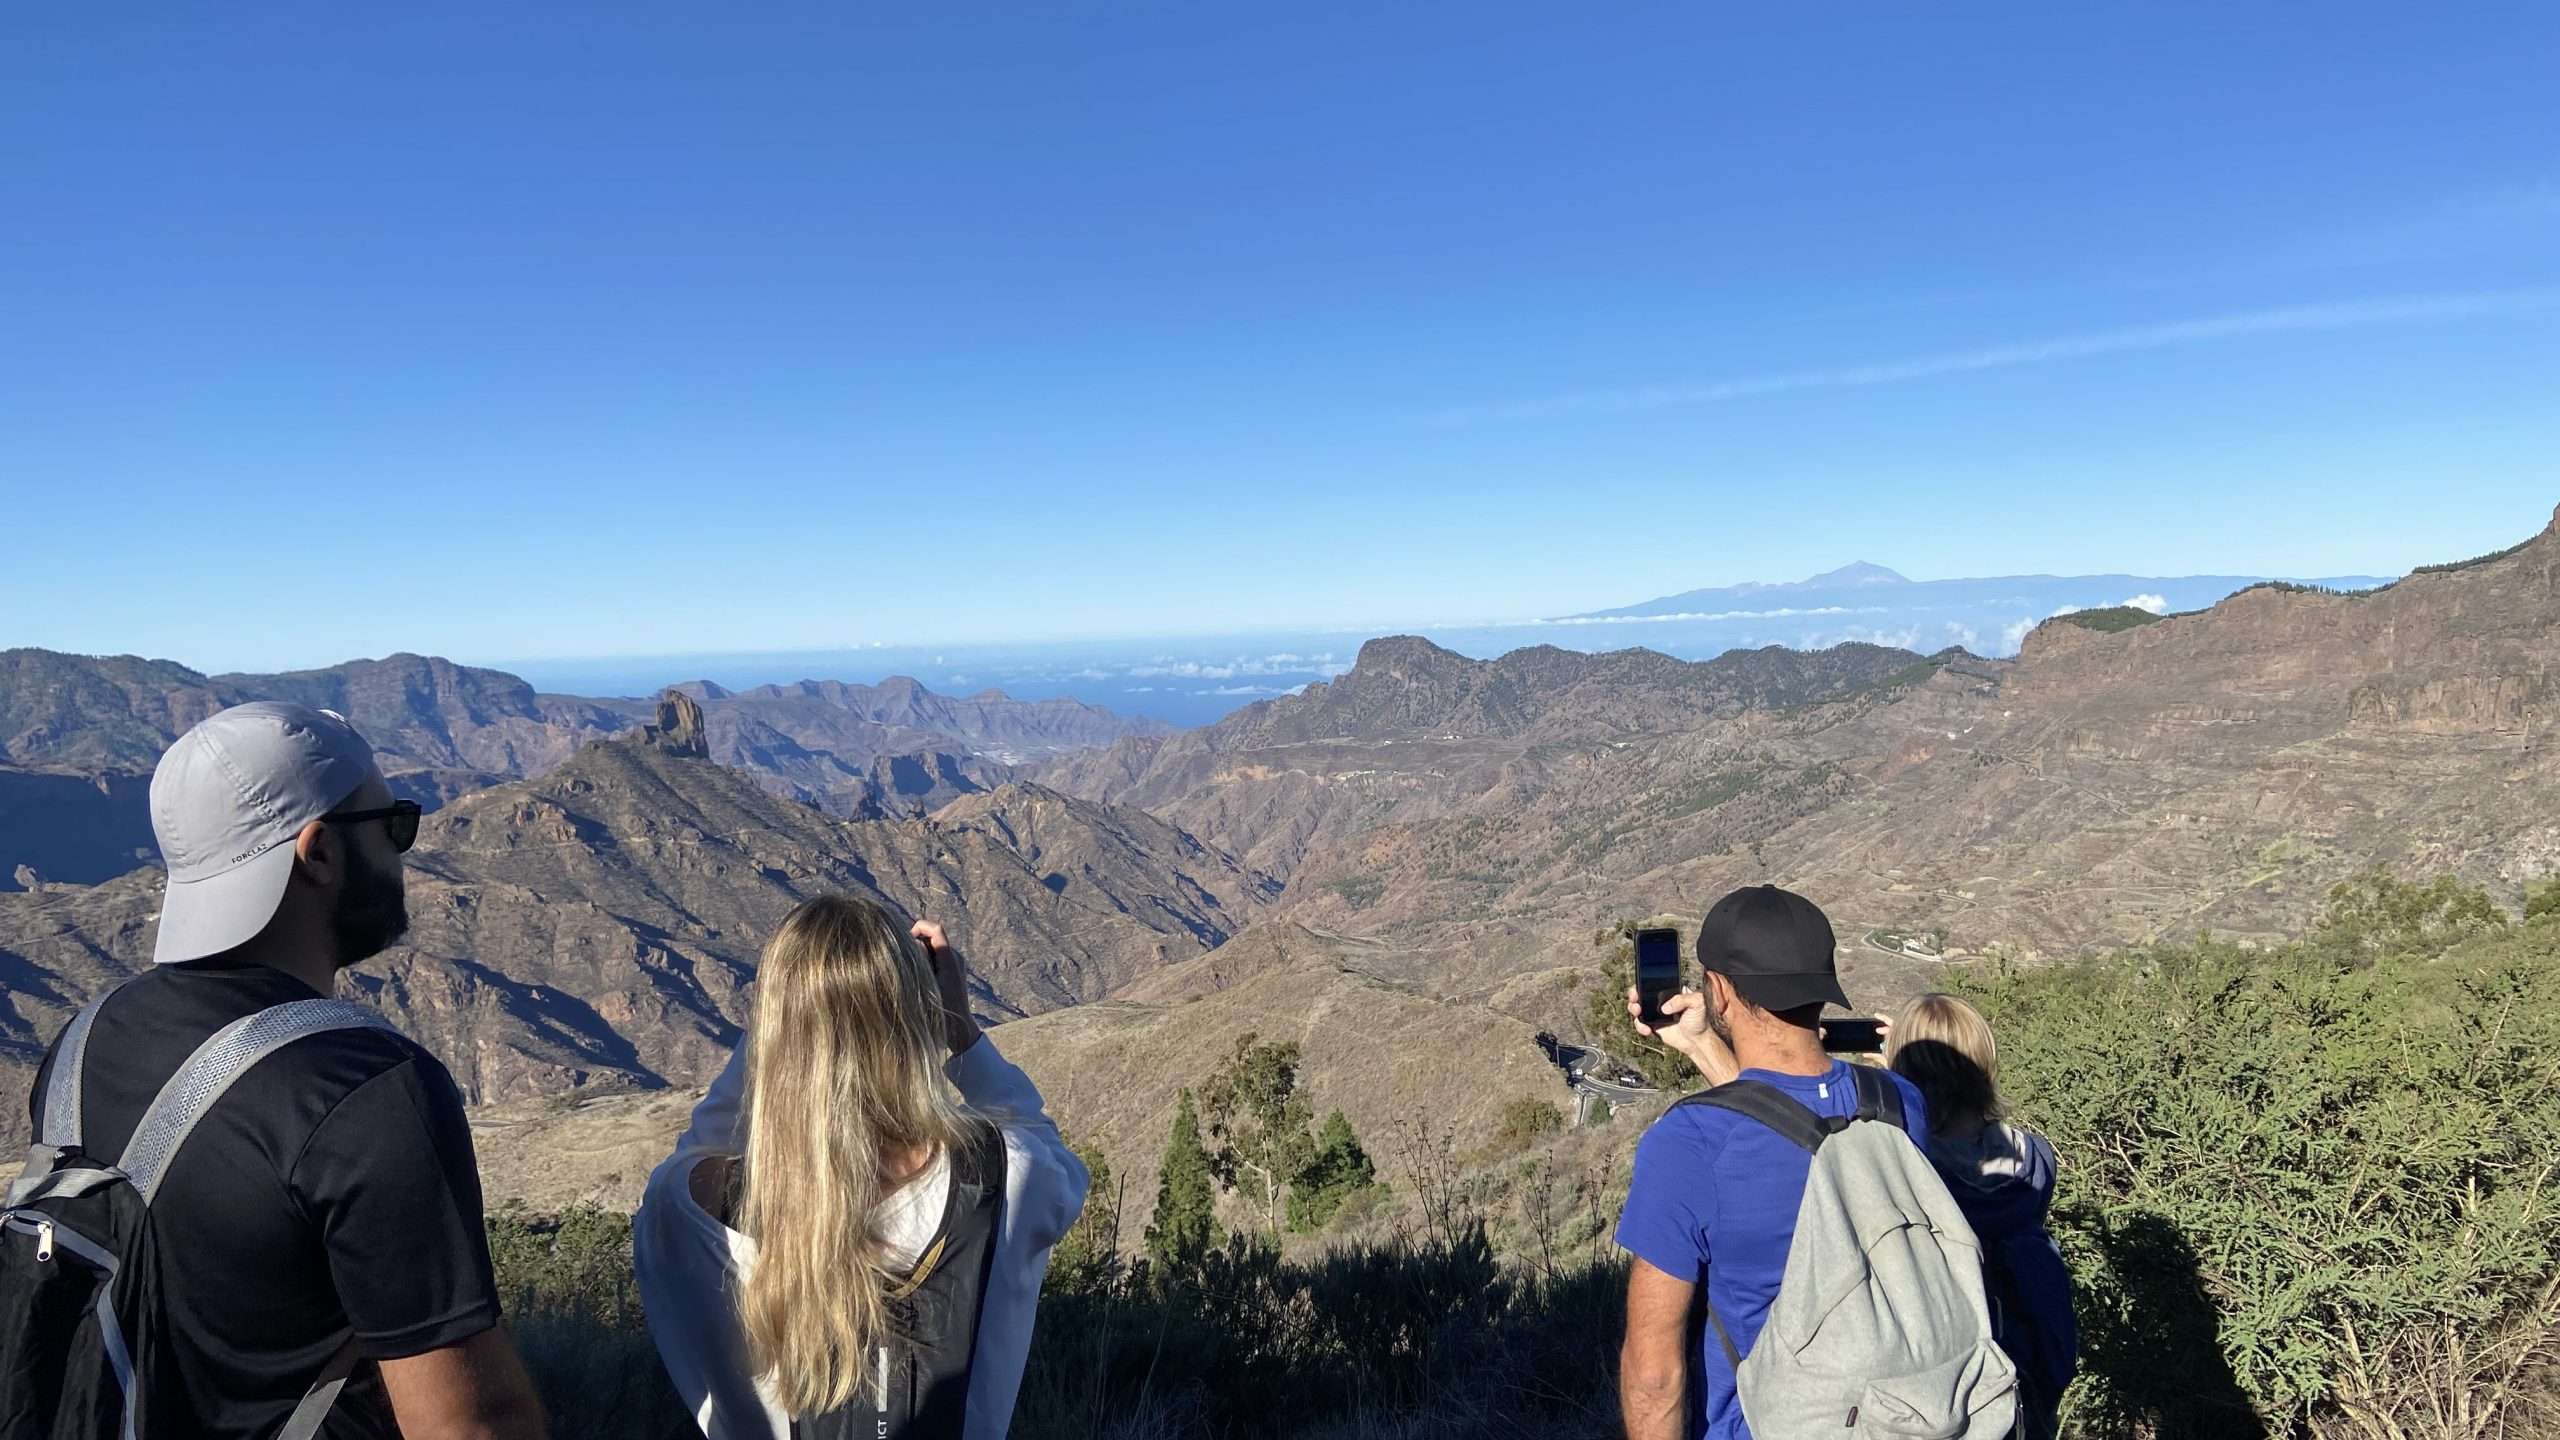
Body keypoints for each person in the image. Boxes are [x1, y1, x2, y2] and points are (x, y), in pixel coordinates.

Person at [18, 702, 546, 1439]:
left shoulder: (80, 1043)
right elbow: (469, 1426)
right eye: (394, 825)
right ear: (319, 852)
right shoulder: (366, 1090)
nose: (404, 851)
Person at [633, 895, 1089, 1440]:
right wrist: (960, 1027)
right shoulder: (1009, 1177)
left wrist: (785, 1021)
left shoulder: (681, 1210)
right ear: (917, 1017)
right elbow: (1042, 1140)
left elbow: (700, 1145)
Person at [1614, 885, 1934, 1440]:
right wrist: (1700, 1047)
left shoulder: (1689, 1144)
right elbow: (1780, 1123)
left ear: (1718, 991)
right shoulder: (1901, 1104)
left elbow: (1654, 1374)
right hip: (1894, 1419)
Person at [1887, 993, 2078, 1440]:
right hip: (2025, 1374)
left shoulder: (1911, 1169)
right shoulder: (2036, 1159)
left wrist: (1894, 1083)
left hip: (1946, 1385)